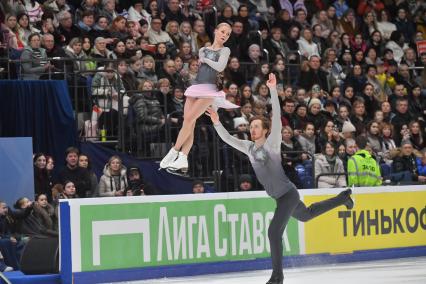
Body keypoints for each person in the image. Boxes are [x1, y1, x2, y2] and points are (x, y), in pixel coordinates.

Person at [207, 73, 353, 284]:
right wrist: (217, 122)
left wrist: (274, 90)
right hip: (280, 196)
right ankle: (343, 198)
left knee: (274, 232)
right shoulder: (248, 147)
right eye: (251, 126)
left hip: (288, 195)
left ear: (266, 130)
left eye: (257, 126)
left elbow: (276, 115)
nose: (252, 128)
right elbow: (228, 139)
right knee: (308, 215)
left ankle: (277, 277)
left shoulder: (272, 143)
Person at [159, 22, 239, 174]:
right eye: (222, 31)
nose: (224, 35)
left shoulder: (225, 50)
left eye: (227, 34)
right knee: (189, 122)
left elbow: (220, 67)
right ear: (215, 31)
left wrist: (205, 60)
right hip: (197, 86)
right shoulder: (203, 49)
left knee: (189, 120)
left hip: (210, 90)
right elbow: (202, 67)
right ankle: (183, 157)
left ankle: (174, 152)